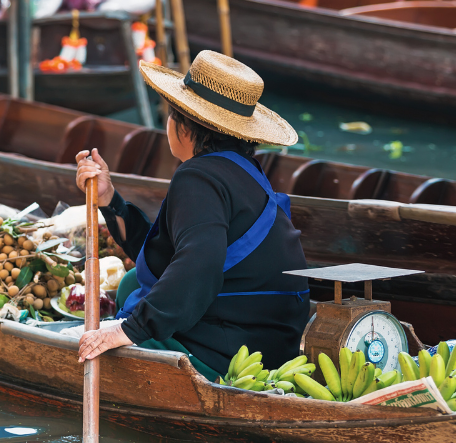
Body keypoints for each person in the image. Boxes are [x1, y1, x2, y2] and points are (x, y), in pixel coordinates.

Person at [74, 51, 310, 380]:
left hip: (231, 353)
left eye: (171, 116)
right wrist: (109, 199)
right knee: (131, 283)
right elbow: (168, 255)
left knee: (128, 303)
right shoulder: (242, 172)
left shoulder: (197, 177)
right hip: (272, 342)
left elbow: (200, 264)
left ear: (185, 126)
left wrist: (128, 331)